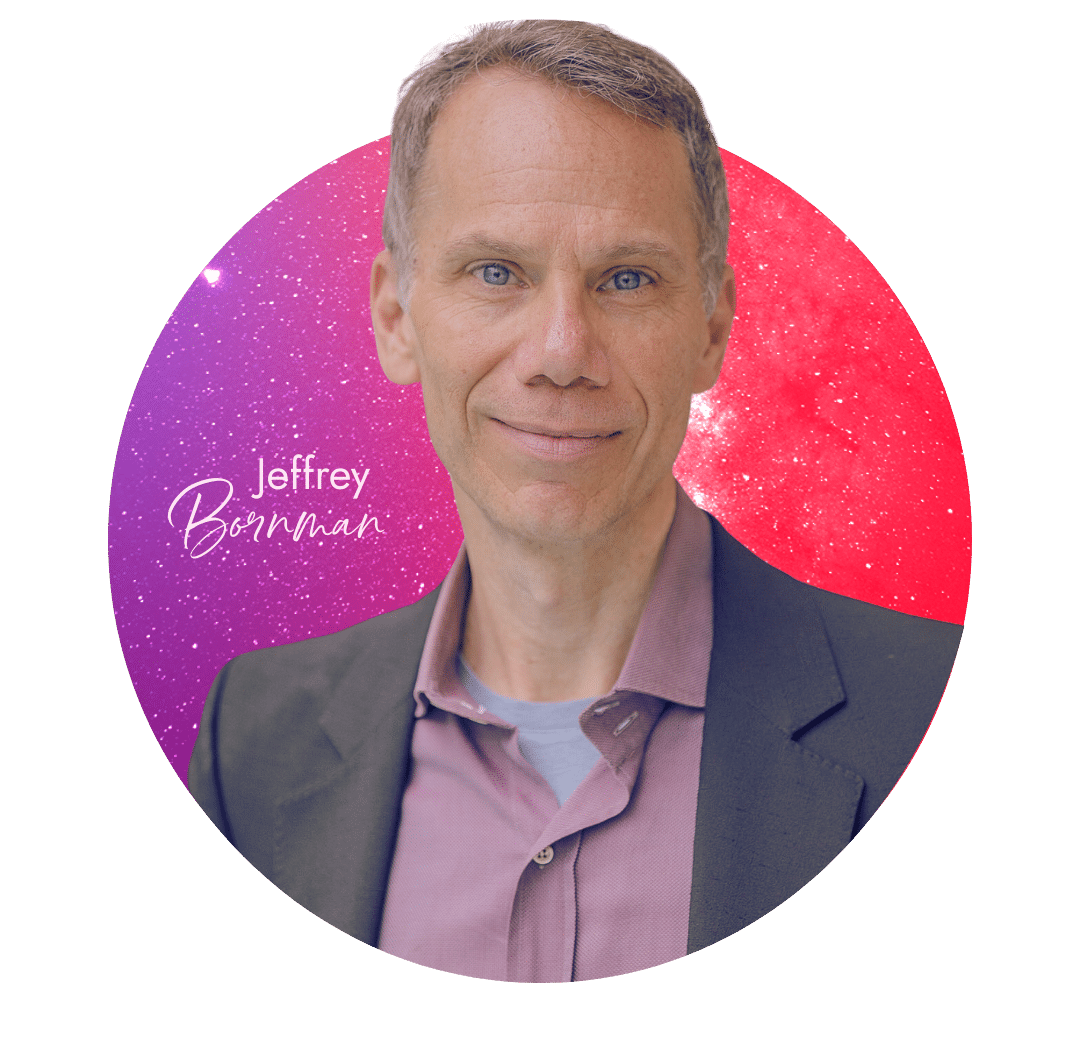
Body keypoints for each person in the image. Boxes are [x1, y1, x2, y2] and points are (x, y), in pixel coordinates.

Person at [189, 20, 962, 982]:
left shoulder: (938, 719)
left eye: (626, 279)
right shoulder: (252, 743)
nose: (561, 352)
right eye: (496, 273)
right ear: (396, 318)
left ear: (713, 323)